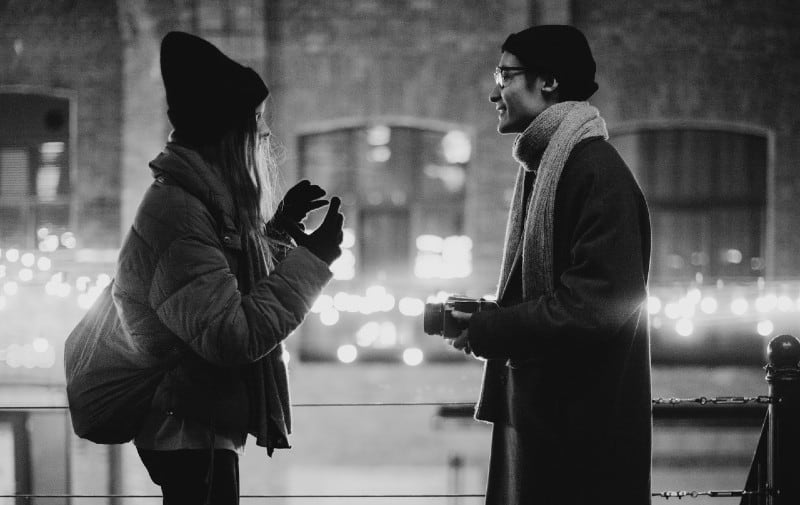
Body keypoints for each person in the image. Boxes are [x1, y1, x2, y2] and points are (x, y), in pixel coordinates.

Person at [112, 31, 344, 505]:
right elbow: (230, 334)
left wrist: (277, 234)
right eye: (255, 120)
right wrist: (313, 261)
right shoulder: (179, 213)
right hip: (187, 430)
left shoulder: (201, 205)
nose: (265, 133)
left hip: (199, 423)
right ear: (225, 131)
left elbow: (226, 286)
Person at [448, 25, 652, 505]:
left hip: (579, 437)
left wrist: (493, 329)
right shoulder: (551, 165)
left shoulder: (594, 172)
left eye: (505, 74)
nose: (494, 91)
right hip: (553, 421)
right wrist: (486, 319)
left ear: (549, 82)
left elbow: (593, 306)